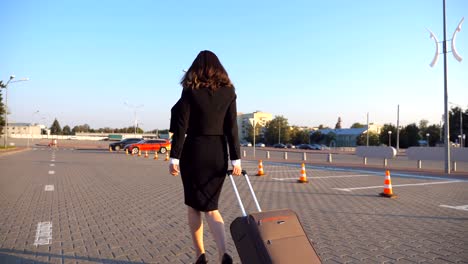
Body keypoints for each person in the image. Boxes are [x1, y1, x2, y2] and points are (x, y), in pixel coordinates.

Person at [169, 50, 242, 264]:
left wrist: (174, 157)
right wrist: (235, 159)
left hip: (194, 151)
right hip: (218, 152)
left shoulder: (190, 91)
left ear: (196, 68)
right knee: (211, 207)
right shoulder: (229, 91)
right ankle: (224, 253)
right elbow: (232, 128)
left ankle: (200, 255)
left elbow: (181, 126)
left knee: (194, 206)